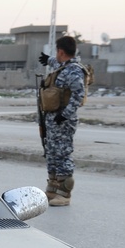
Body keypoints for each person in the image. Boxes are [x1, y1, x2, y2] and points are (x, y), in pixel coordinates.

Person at [39, 36, 87, 207]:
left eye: (56, 53)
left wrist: (65, 115)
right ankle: (52, 189)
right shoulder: (64, 65)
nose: (55, 56)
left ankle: (64, 193)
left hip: (63, 121)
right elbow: (57, 63)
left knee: (62, 154)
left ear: (61, 51)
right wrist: (48, 60)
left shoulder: (74, 70)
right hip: (53, 119)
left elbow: (78, 95)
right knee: (51, 152)